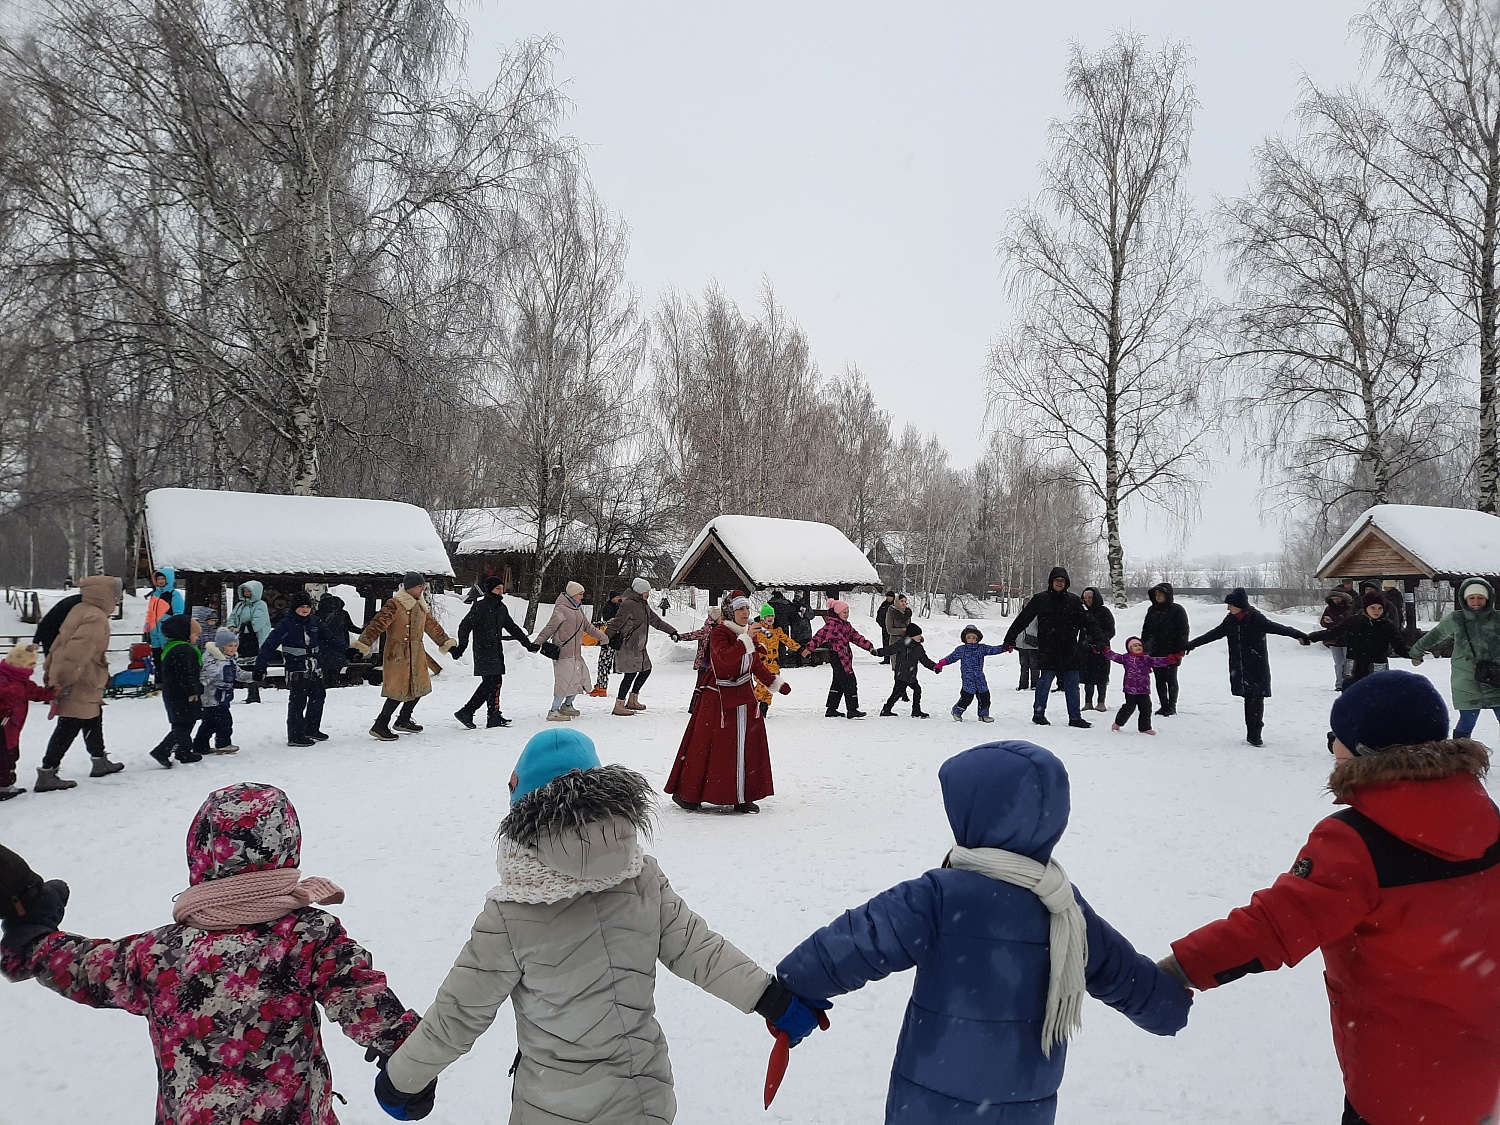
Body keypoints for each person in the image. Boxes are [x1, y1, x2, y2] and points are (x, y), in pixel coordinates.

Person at [373, 729, 825, 1121]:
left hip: (554, 1107)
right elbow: (699, 950)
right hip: (644, 1096)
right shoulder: (641, 874)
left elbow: (459, 1015)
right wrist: (770, 996)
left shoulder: (512, 913)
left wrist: (404, 1078)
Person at [774, 741, 1192, 1124]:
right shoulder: (1063, 904)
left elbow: (861, 939)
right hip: (1027, 1097)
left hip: (933, 1092)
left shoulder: (939, 896)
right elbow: (1121, 972)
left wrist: (794, 984)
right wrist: (1166, 1002)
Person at [1161, 671, 1500, 1125]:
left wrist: (1178, 969)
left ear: (1361, 751)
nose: (1332, 749)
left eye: (1333, 739)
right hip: (1482, 1064)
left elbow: (1274, 927)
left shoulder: (1356, 841)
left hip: (1400, 1084)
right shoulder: (1483, 812)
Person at [0, 783, 422, 1125]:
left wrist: (35, 939)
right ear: (285, 847)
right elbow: (364, 1002)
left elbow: (85, 968)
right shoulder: (307, 936)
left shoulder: (159, 951)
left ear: (199, 852)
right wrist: (411, 1060)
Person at [666, 596, 791, 813]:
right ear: (729, 612)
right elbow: (725, 660)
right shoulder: (719, 633)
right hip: (718, 699)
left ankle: (742, 795)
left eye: (747, 608)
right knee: (711, 748)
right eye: (739, 608)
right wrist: (746, 641)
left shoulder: (748, 634)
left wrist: (774, 682)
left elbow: (754, 664)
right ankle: (691, 793)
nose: (745, 612)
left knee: (747, 747)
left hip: (745, 698)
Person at [1182, 587, 1306, 747]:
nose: (1228, 608)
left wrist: (1298, 634)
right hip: (1240, 666)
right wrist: (1191, 645)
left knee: (1257, 697)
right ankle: (1252, 734)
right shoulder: (1230, 621)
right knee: (1249, 698)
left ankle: (1256, 733)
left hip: (1257, 665)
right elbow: (1212, 635)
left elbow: (1278, 628)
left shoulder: (1256, 619)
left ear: (1239, 605)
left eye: (1230, 605)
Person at [37, 575, 124, 791]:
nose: (118, 598)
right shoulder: (95, 617)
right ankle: (48, 771)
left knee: (92, 717)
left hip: (84, 677)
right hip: (80, 678)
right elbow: (77, 653)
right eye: (116, 593)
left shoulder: (80, 609)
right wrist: (63, 680)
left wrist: (50, 668)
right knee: (70, 723)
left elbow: (58, 643)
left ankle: (99, 759)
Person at [354, 572, 458, 741]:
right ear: (409, 588)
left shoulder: (420, 605)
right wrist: (363, 644)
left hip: (416, 652)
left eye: (423, 586)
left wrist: (446, 643)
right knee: (398, 690)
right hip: (397, 653)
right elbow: (377, 623)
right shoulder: (395, 604)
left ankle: (403, 719)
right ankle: (380, 724)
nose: (422, 588)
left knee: (420, 687)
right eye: (419, 586)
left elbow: (432, 626)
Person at [1001, 567, 1104, 729]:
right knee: (1044, 682)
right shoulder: (1040, 599)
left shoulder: (1074, 600)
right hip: (1048, 649)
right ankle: (1039, 714)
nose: (1059, 583)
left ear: (1066, 583)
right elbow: (1023, 619)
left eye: (1062, 581)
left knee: (1072, 684)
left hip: (1069, 649)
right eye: (1056, 580)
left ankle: (1075, 717)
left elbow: (1088, 622)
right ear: (1051, 582)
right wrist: (1010, 638)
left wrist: (1099, 640)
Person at [1410, 576, 1500, 739]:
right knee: (1467, 720)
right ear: (1465, 599)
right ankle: (1460, 753)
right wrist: (1417, 651)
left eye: (1480, 598)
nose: (1476, 602)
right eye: (1472, 598)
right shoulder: (1456, 619)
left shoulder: (1497, 619)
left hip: (1495, 677)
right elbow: (1434, 636)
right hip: (1466, 678)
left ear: (1488, 598)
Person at [256, 591, 345, 746]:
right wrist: (260, 667)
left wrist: (348, 650)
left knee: (318, 697)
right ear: (294, 608)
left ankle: (311, 728)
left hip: (315, 667)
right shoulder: (286, 624)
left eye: (307, 606)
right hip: (296, 668)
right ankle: (295, 735)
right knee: (298, 701)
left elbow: (330, 639)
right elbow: (269, 646)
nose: (305, 610)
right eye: (301, 607)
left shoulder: (315, 622)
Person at [453, 575, 537, 729]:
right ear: (490, 589)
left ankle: (491, 715)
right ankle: (471, 712)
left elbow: (512, 628)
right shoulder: (480, 606)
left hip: (496, 650)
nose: (501, 591)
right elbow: (464, 626)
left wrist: (527, 644)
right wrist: (461, 647)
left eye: (502, 588)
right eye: (498, 588)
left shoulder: (501, 608)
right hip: (483, 650)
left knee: (493, 683)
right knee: (492, 682)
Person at [1302, 591, 1411, 689]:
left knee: (1376, 701)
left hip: (1378, 669)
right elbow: (1333, 632)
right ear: (1365, 608)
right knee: (1352, 701)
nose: (1376, 611)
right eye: (1373, 607)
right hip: (1354, 669)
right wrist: (1311, 638)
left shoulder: (1388, 626)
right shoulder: (1354, 621)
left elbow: (1399, 646)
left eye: (1379, 608)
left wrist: (1414, 654)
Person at [603, 578, 679, 717]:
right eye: (646, 591)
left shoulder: (643, 604)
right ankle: (619, 705)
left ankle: (633, 700)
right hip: (628, 645)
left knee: (646, 670)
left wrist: (672, 631)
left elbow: (656, 621)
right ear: (639, 591)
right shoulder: (628, 604)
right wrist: (605, 638)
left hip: (640, 646)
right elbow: (616, 623)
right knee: (630, 674)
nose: (648, 594)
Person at [533, 580, 607, 723]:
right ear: (572, 595)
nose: (582, 597)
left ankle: (567, 705)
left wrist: (604, 638)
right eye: (580, 594)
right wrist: (537, 643)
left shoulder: (577, 609)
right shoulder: (561, 609)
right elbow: (550, 628)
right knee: (563, 682)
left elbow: (588, 627)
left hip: (576, 653)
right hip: (563, 653)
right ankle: (554, 710)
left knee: (578, 679)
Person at [0, 645, 55, 800]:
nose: (33, 667)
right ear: (19, 664)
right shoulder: (4, 680)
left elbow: (36, 693)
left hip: (12, 726)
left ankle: (6, 784)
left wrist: (52, 692)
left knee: (11, 754)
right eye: (30, 664)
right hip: (3, 725)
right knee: (4, 757)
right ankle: (4, 787)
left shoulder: (22, 681)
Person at [148, 614, 204, 768]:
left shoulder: (171, 647)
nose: (197, 637)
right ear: (184, 633)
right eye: (195, 634)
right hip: (183, 694)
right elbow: (187, 674)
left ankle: (183, 751)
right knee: (185, 724)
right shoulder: (183, 650)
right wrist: (193, 690)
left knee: (180, 722)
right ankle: (162, 750)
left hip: (173, 692)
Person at [805, 599, 876, 718]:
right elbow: (819, 636)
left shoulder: (847, 626)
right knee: (849, 681)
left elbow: (857, 637)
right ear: (837, 612)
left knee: (838, 682)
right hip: (837, 656)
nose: (847, 614)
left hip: (845, 656)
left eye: (848, 612)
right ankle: (852, 709)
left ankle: (831, 709)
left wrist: (869, 647)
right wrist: (808, 649)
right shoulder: (831, 625)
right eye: (844, 612)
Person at [193, 628, 253, 755]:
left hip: (223, 697)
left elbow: (239, 674)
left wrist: (254, 676)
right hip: (212, 697)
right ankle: (223, 743)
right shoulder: (212, 659)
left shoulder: (228, 659)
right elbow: (206, 677)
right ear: (221, 646)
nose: (233, 648)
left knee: (209, 723)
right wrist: (220, 678)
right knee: (224, 721)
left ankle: (200, 745)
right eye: (229, 646)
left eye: (235, 646)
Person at [1106, 637, 1179, 735]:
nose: (1138, 647)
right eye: (1135, 646)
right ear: (1130, 648)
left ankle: (1145, 727)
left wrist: (1169, 660)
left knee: (1146, 708)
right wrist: (1106, 651)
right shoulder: (1126, 658)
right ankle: (1118, 723)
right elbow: (1115, 656)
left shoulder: (1146, 658)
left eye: (1139, 645)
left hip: (1143, 689)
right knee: (1129, 707)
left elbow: (1157, 661)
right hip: (1130, 689)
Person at [935, 625, 1007, 723]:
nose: (971, 640)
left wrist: (1005, 648)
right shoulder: (961, 650)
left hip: (980, 678)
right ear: (965, 638)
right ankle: (957, 711)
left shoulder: (982, 648)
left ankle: (983, 715)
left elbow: (993, 649)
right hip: (968, 678)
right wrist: (941, 663)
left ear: (977, 638)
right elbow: (951, 658)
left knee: (985, 697)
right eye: (969, 637)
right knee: (967, 698)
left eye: (974, 638)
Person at [1140, 582, 1189, 716]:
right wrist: (1142, 647)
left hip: (1171, 650)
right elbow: (1146, 630)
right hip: (1154, 650)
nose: (1159, 596)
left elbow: (1183, 630)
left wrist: (1181, 648)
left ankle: (1172, 706)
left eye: (1161, 594)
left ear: (1168, 595)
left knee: (1171, 678)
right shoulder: (1152, 610)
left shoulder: (1177, 610)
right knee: (1159, 679)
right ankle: (1163, 704)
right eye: (1157, 594)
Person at [876, 622, 938, 718]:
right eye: (918, 635)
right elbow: (890, 649)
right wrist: (878, 652)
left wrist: (934, 667)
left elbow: (925, 660)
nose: (920, 637)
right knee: (897, 693)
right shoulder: (902, 644)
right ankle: (886, 710)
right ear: (911, 635)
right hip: (901, 674)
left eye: (920, 635)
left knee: (916, 690)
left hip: (911, 675)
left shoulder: (919, 648)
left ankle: (915, 711)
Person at [226, 580, 273, 704]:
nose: (247, 593)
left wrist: (242, 628)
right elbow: (232, 617)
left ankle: (254, 693)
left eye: (249, 591)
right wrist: (231, 626)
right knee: (243, 666)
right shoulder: (240, 605)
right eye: (245, 591)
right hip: (241, 640)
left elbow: (258, 622)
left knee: (254, 666)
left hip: (255, 641)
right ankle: (248, 691)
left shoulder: (261, 605)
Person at [753, 602, 802, 717]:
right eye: (767, 616)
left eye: (772, 616)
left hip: (774, 664)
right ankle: (753, 703)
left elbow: (786, 640)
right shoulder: (757, 630)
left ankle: (764, 707)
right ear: (762, 618)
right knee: (761, 685)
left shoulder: (777, 630)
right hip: (760, 664)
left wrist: (799, 649)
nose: (770, 618)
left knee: (772, 686)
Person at [678, 605, 722, 714]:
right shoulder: (707, 629)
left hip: (716, 664)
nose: (724, 618)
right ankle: (694, 707)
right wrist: (679, 637)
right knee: (700, 686)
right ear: (716, 618)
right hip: (705, 663)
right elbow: (693, 635)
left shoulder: (722, 629)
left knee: (715, 686)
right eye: (722, 616)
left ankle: (711, 707)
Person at [1078, 587, 1116, 712]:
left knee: (1101, 676)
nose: (1088, 600)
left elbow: (1110, 630)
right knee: (1087, 677)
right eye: (1086, 598)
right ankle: (1088, 702)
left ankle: (1101, 702)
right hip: (1086, 649)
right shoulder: (1082, 612)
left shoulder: (1104, 612)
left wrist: (1101, 641)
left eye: (1090, 597)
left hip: (1102, 649)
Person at [141, 567, 184, 674]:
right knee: (157, 658)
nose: (160, 581)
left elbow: (178, 614)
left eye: (163, 579)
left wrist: (173, 630)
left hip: (167, 632)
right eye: (158, 579)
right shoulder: (155, 594)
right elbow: (150, 613)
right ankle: (159, 680)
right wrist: (146, 630)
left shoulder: (174, 594)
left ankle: (169, 680)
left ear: (168, 580)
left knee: (168, 658)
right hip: (154, 631)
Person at [1317, 585, 1357, 691]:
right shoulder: (1328, 609)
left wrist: (1333, 621)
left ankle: (1349, 682)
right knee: (1338, 663)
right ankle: (1339, 684)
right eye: (1333, 598)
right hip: (1333, 640)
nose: (1335, 600)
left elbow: (1348, 623)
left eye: (1337, 598)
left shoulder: (1350, 609)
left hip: (1348, 639)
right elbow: (1322, 623)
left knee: (1348, 662)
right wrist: (1325, 621)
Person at [587, 589, 622, 697]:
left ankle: (601, 687)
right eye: (617, 597)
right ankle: (600, 686)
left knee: (604, 664)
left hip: (610, 639)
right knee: (603, 664)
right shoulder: (609, 607)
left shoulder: (618, 606)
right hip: (610, 638)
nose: (618, 598)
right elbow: (608, 621)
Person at [1015, 617, 1040, 692]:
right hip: (1021, 644)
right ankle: (1023, 684)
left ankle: (1035, 684)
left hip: (1033, 644)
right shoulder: (1020, 616)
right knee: (1023, 665)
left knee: (1034, 666)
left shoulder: (1036, 617)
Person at [876, 590, 897, 664]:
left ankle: (895, 659)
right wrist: (881, 623)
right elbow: (879, 614)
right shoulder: (884, 604)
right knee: (885, 643)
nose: (888, 598)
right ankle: (886, 659)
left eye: (890, 597)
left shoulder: (895, 605)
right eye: (887, 596)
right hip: (885, 628)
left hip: (893, 629)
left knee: (893, 643)